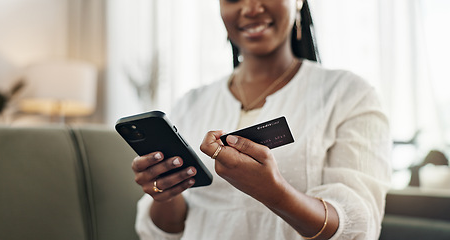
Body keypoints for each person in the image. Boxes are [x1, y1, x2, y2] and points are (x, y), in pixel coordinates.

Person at [131, 0, 391, 239]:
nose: (251, 8)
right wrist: (166, 194)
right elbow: (163, 234)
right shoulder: (191, 103)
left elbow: (359, 226)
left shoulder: (348, 94)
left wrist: (275, 193)